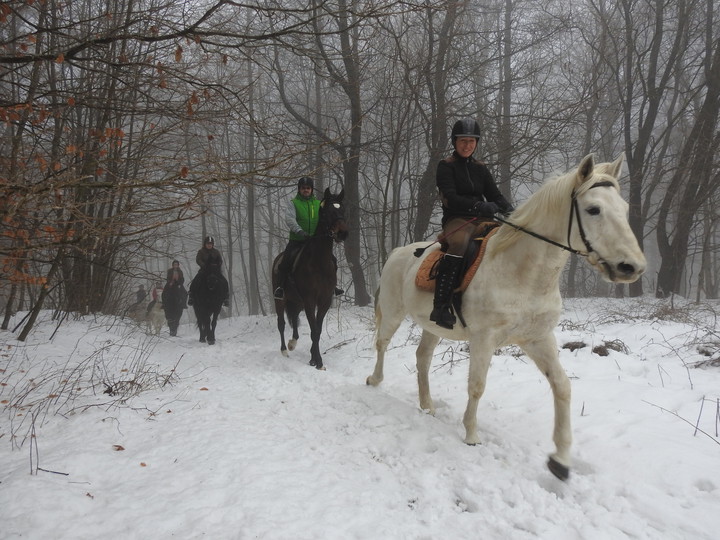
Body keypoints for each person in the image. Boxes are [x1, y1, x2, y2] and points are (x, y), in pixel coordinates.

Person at [430, 117, 514, 330]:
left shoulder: (480, 168)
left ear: (477, 143)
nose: (467, 146)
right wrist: (477, 205)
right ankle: (441, 305)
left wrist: (510, 210)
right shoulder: (445, 166)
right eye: (463, 141)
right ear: (455, 142)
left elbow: (494, 194)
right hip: (456, 219)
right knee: (459, 243)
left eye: (471, 141)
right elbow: (449, 197)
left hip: (483, 219)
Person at [273, 176, 343, 300]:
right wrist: (300, 231)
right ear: (299, 189)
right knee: (285, 261)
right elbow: (290, 219)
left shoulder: (318, 204)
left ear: (311, 190)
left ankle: (333, 286)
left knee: (333, 260)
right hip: (298, 240)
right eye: (303, 188)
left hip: (315, 242)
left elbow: (325, 219)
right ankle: (281, 288)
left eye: (308, 188)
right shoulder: (293, 203)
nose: (306, 190)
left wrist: (330, 231)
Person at [188, 236, 230, 307]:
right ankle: (191, 297)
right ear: (205, 244)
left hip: (215, 271)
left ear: (213, 244)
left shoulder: (216, 252)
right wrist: (204, 265)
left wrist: (217, 266)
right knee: (196, 280)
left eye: (210, 243)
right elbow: (198, 260)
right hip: (204, 270)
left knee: (224, 281)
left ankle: (226, 298)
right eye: (208, 243)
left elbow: (220, 260)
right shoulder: (201, 251)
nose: (209, 245)